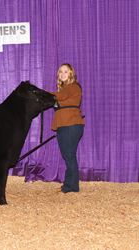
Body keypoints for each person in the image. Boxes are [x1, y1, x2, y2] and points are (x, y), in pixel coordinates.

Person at [49, 63, 85, 194]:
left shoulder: (73, 86)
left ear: (71, 74)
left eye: (66, 71)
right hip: (66, 125)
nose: (62, 74)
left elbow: (62, 97)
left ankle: (72, 186)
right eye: (60, 72)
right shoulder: (65, 88)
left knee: (69, 156)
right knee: (68, 156)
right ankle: (69, 183)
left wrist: (43, 94)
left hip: (71, 125)